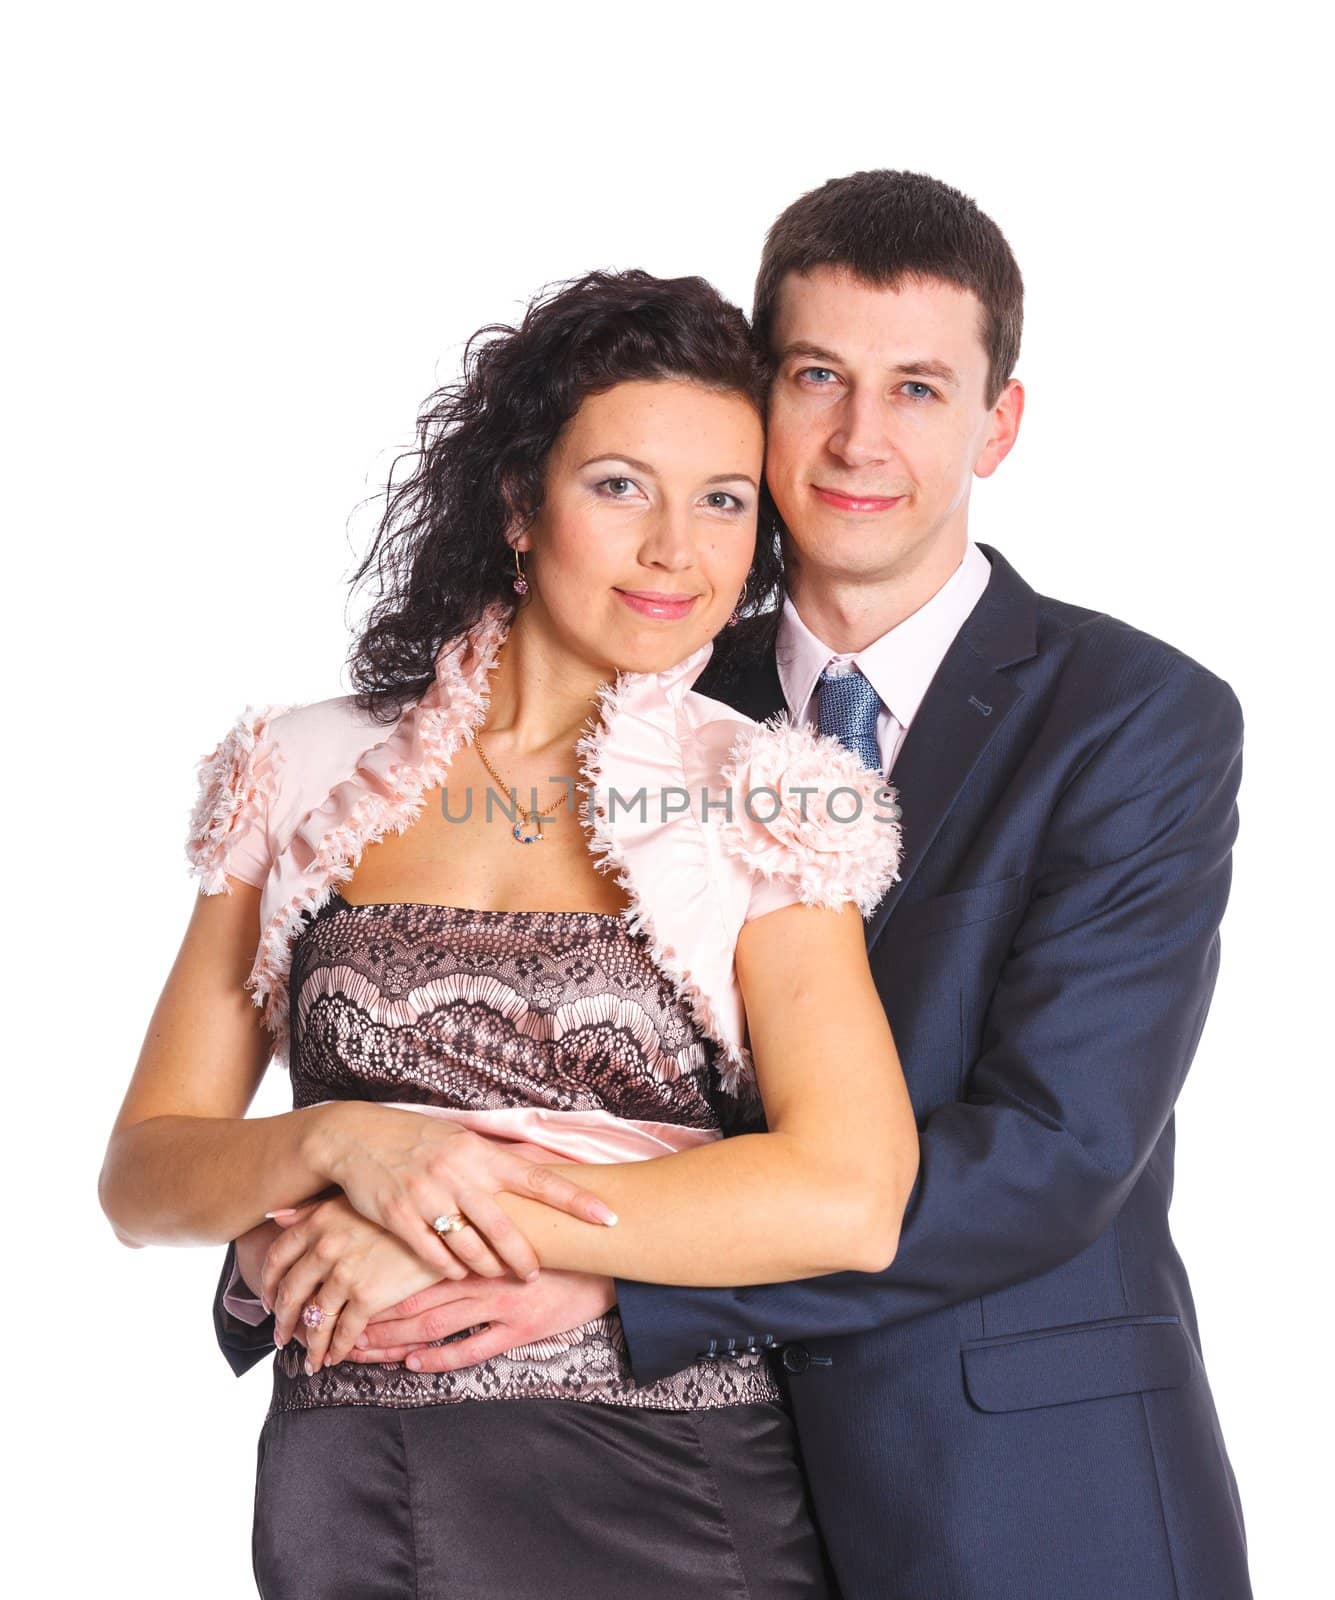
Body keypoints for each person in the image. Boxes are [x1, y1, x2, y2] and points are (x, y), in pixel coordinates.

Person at [213, 171, 1253, 1599]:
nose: (858, 440)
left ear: (999, 424)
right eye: (816, 376)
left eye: (920, 391)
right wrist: (347, 1207)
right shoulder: (655, 678)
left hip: (1016, 1488)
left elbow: (1058, 1149)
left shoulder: (1136, 717)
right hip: (671, 1486)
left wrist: (624, 1273)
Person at [99, 267, 918, 1598]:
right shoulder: (300, 770)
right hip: (354, 1487)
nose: (679, 550)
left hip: (669, 1491)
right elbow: (141, 1176)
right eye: (620, 486)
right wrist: (339, 1142)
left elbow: (851, 1193)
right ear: (518, 503)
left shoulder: (769, 797)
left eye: (723, 500)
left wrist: (461, 1219)